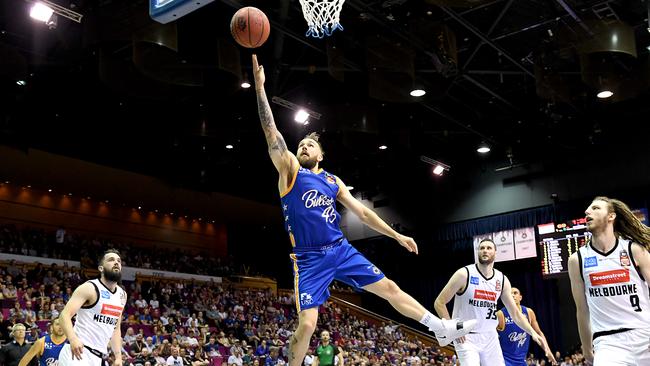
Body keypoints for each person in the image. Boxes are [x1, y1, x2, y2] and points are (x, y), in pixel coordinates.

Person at [251, 54, 476, 366]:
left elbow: (364, 214)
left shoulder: (332, 181)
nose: (303, 147)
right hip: (308, 258)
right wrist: (260, 89)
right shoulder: (289, 172)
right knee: (306, 325)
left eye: (310, 145)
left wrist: (396, 235)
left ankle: (438, 327)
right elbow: (271, 134)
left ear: (321, 154)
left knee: (390, 289)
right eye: (301, 144)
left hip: (340, 249)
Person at [434, 239, 555, 366]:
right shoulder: (464, 274)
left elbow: (515, 313)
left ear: (495, 253)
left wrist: (533, 333)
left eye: (488, 248)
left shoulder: (502, 279)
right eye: (482, 248)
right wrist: (453, 328)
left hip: (490, 338)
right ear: (478, 252)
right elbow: (439, 302)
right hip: (467, 337)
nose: (485, 250)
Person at [568, 196, 650, 366]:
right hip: (608, 343)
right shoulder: (577, 260)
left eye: (596, 208)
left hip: (645, 333)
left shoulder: (634, 250)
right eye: (588, 209)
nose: (587, 211)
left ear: (611, 216)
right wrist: (586, 347)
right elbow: (582, 310)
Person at [58, 249, 127, 366]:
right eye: (111, 260)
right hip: (77, 352)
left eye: (119, 261)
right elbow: (64, 315)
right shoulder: (89, 288)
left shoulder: (122, 295)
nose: (116, 263)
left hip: (97, 357)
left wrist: (118, 357)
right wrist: (73, 339)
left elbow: (115, 328)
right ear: (101, 268)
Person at [496, 287, 550, 366]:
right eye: (510, 294)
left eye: (515, 293)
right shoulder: (500, 314)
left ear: (520, 297)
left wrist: (547, 349)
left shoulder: (528, 312)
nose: (512, 295)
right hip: (505, 361)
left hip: (522, 361)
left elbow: (538, 332)